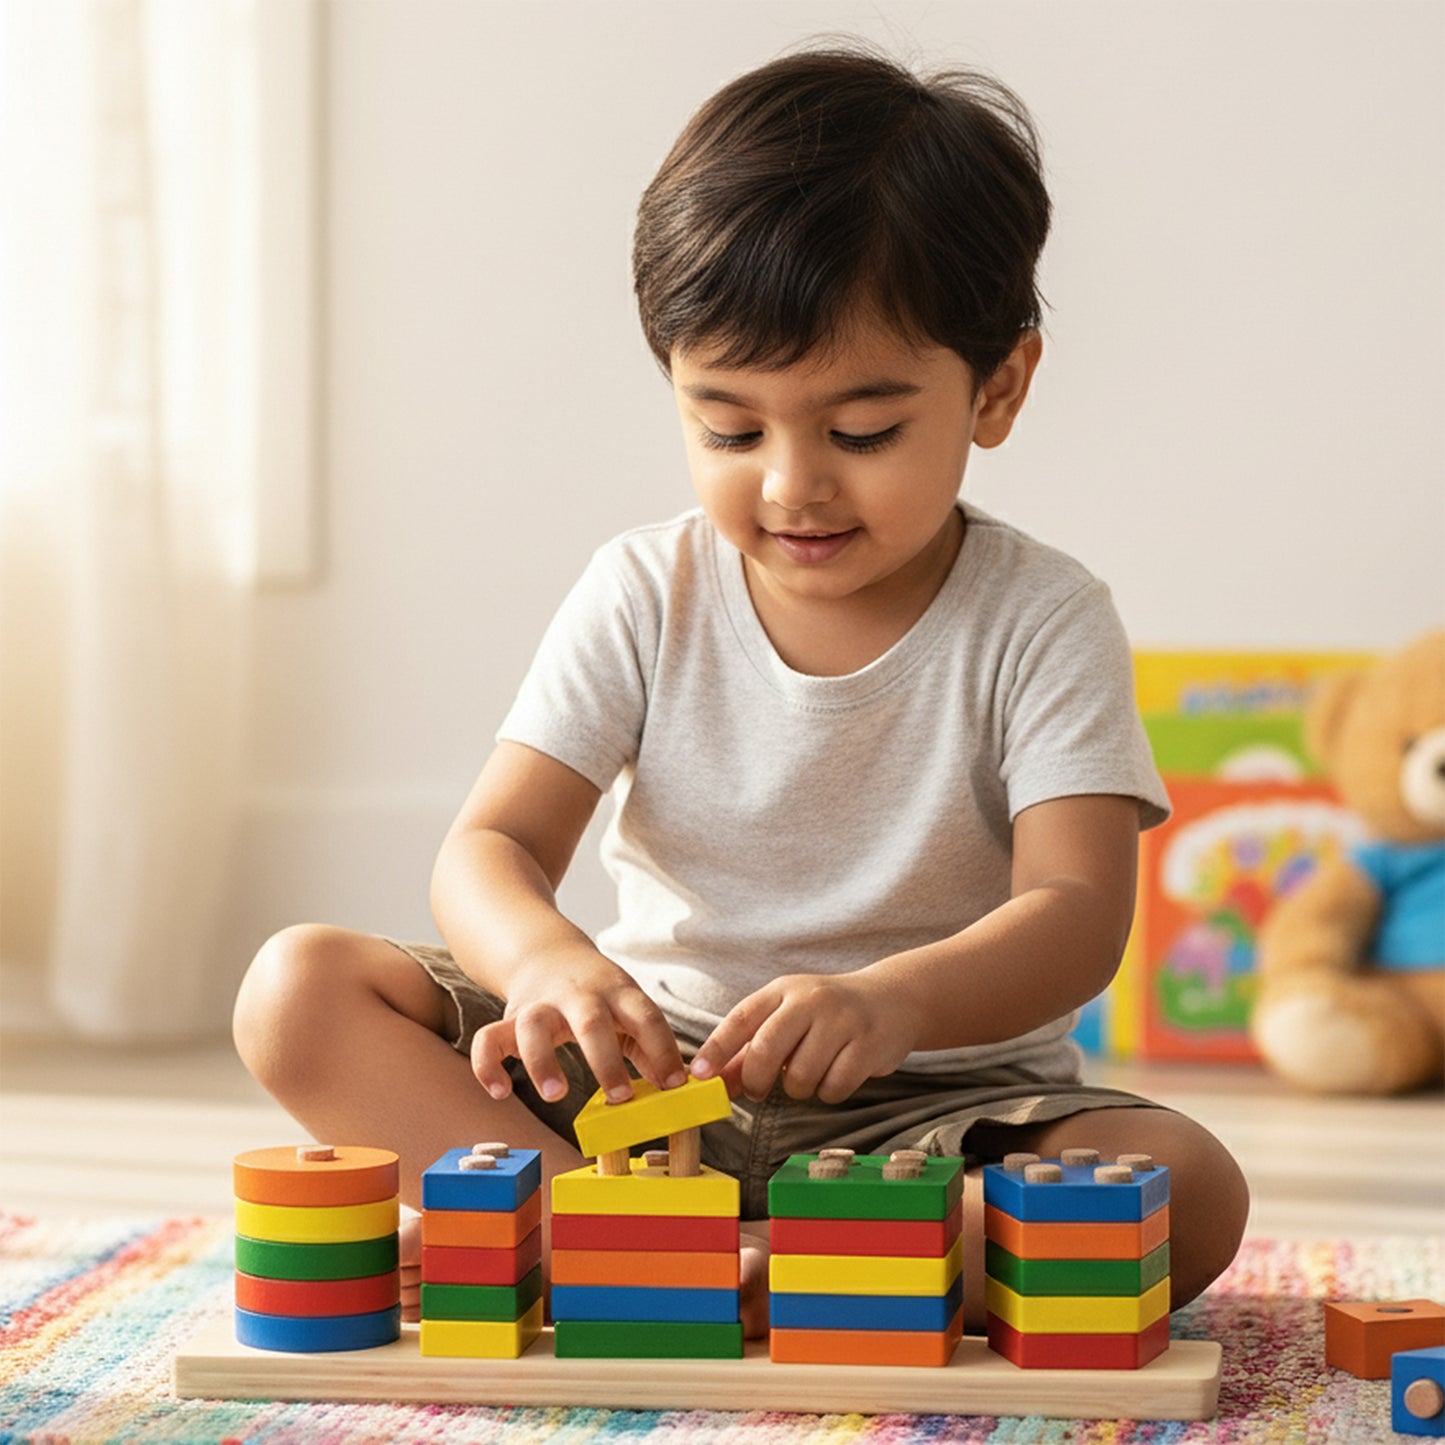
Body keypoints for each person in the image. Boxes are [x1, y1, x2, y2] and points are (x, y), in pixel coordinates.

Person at [234, 44, 1248, 1337]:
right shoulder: (643, 589)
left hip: (935, 1111)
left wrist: (894, 1002)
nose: (790, 486)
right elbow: (490, 845)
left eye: (862, 431)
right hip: (646, 1084)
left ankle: (768, 1252)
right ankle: (622, 1234)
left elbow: (1076, 913)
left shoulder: (1043, 616)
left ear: (996, 387)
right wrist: (547, 965)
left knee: (1187, 1187)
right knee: (298, 988)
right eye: (729, 427)